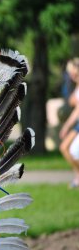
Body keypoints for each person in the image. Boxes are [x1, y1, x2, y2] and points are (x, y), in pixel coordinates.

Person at [59, 58, 79, 188]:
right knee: (65, 148)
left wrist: (66, 126)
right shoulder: (76, 85)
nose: (71, 74)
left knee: (72, 150)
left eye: (73, 71)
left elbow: (77, 109)